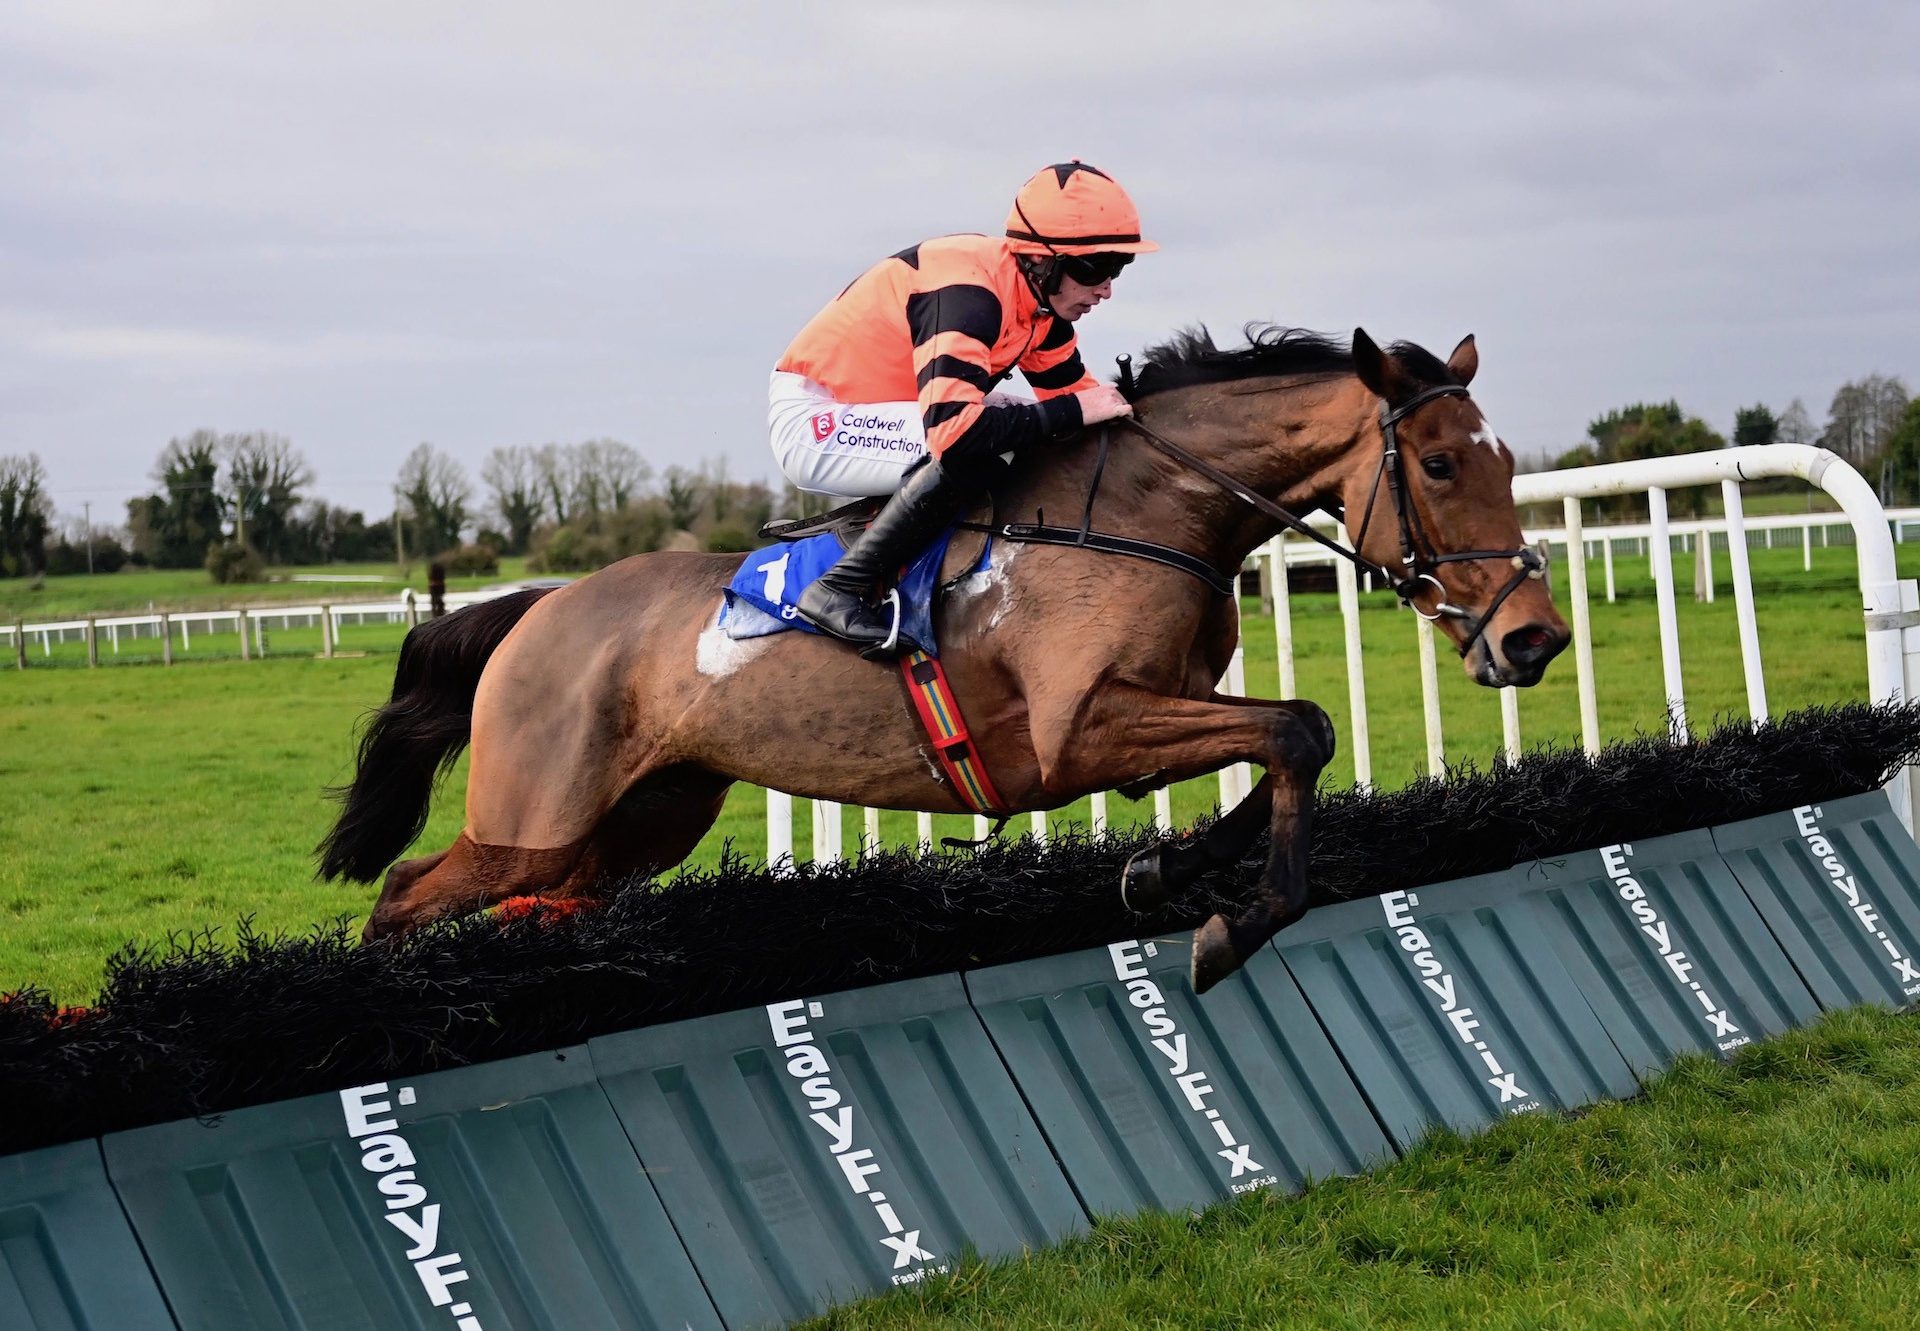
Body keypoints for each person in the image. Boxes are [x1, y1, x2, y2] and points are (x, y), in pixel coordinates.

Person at [768, 161, 1154, 658]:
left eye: (1119, 267)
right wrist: (1074, 412)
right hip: (818, 418)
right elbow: (956, 435)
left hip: (898, 411)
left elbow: (1088, 410)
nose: (1107, 288)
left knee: (1035, 425)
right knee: (984, 444)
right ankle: (837, 588)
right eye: (1096, 268)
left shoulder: (1038, 306)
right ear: (1043, 260)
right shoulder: (969, 296)